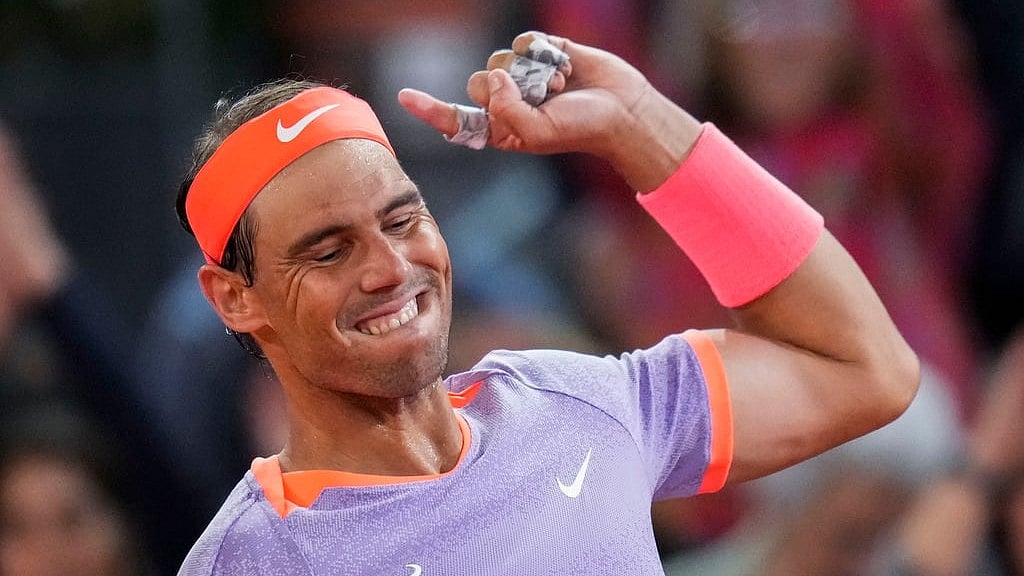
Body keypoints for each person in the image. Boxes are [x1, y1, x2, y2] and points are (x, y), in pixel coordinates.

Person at [175, 30, 919, 574]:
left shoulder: (579, 403)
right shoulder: (251, 562)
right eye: (329, 252)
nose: (390, 268)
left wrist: (640, 128)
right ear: (237, 298)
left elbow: (864, 367)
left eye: (403, 220)